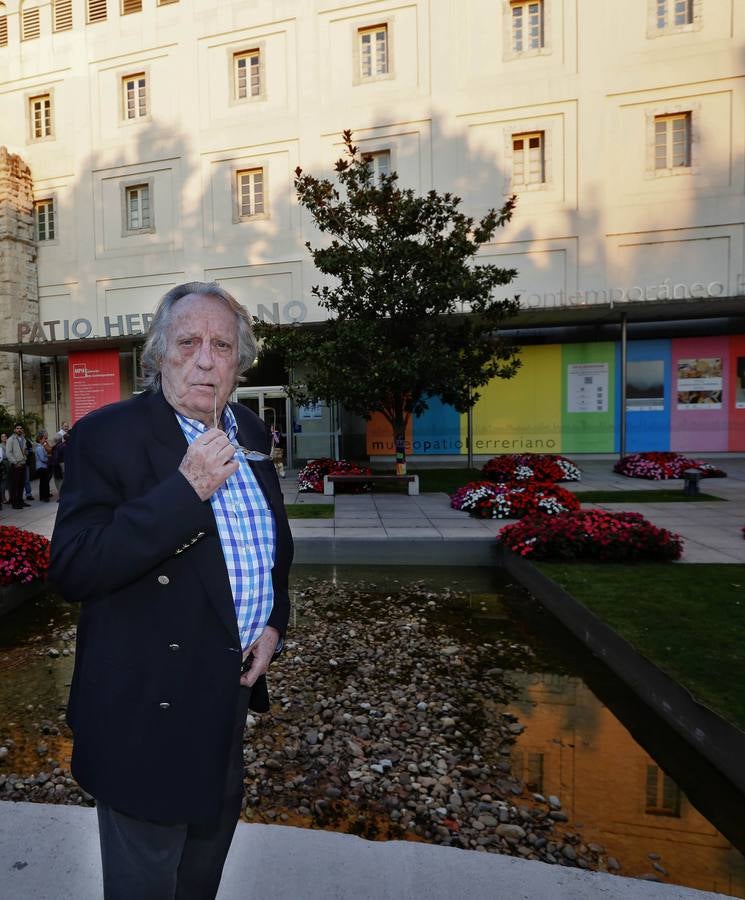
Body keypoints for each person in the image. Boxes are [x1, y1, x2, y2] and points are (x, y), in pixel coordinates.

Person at [50, 282, 294, 900]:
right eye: (188, 343)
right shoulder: (107, 436)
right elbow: (74, 568)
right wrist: (184, 493)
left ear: (240, 362)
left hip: (225, 702)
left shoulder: (252, 433)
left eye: (222, 345)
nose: (205, 359)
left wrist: (273, 624)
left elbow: (272, 550)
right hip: (144, 714)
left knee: (200, 879)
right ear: (159, 355)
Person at [6, 424, 30, 509]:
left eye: (20, 428)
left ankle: (20, 501)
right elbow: (8, 453)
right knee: (15, 485)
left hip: (23, 464)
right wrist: (15, 462)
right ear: (14, 430)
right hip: (16, 465)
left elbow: (24, 450)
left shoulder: (23, 439)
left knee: (21, 484)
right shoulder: (11, 439)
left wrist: (26, 454)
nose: (19, 430)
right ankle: (15, 503)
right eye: (17, 428)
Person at [35, 430, 52, 502]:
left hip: (42, 467)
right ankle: (45, 497)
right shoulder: (39, 448)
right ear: (40, 439)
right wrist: (48, 458)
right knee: (44, 482)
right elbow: (42, 458)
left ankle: (42, 496)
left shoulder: (41, 447)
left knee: (43, 482)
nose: (45, 440)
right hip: (42, 467)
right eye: (44, 439)